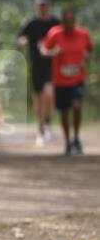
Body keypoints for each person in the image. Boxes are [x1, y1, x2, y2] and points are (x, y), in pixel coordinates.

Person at [39, 8, 92, 155]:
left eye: (72, 21)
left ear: (75, 21)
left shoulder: (83, 34)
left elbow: (89, 50)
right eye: (67, 22)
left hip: (78, 78)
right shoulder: (54, 33)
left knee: (77, 106)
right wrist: (51, 53)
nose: (70, 24)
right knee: (64, 112)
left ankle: (76, 137)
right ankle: (67, 142)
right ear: (62, 21)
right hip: (60, 80)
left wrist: (85, 58)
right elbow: (43, 49)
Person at [17, 0, 59, 146]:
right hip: (36, 64)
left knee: (49, 94)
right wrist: (22, 41)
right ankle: (40, 131)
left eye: (45, 5)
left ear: (49, 6)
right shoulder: (31, 23)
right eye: (40, 5)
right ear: (36, 6)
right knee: (38, 99)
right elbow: (20, 36)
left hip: (51, 64)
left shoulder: (55, 22)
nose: (42, 8)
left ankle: (48, 122)